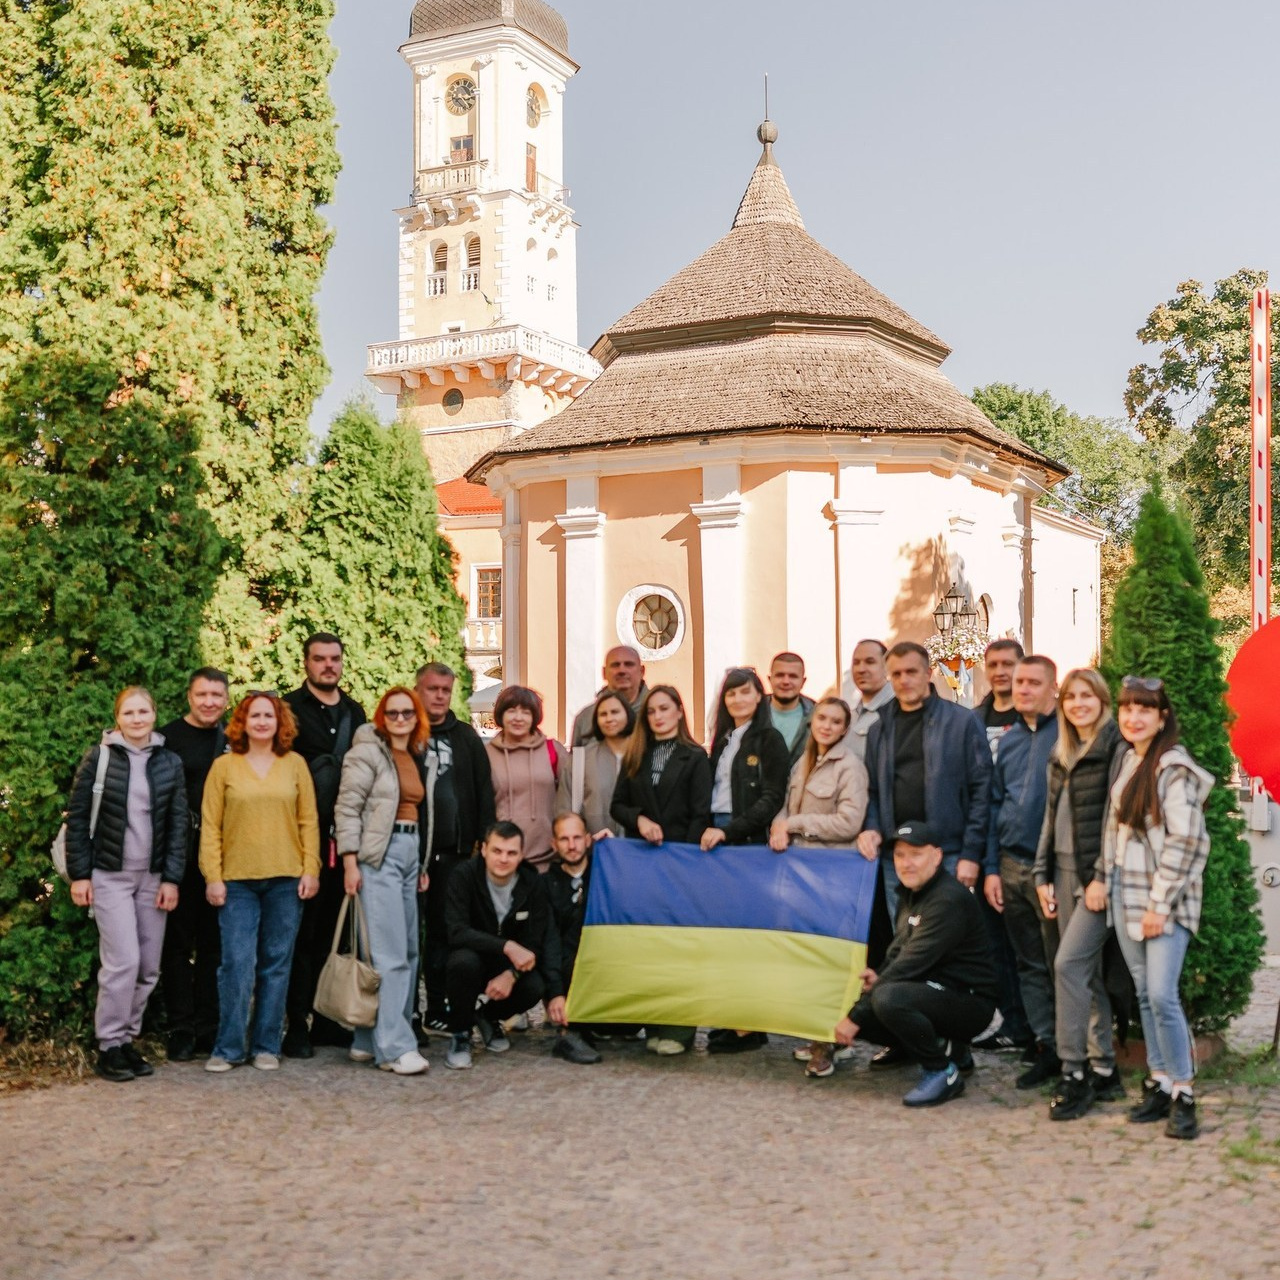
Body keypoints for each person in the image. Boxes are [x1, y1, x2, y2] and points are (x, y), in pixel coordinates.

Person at [1102, 677, 1212, 1140]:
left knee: (1163, 994)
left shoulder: (1172, 768)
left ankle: (1185, 1093)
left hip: (1163, 902)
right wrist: (1102, 882)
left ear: (1162, 717)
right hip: (1125, 896)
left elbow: (1187, 842)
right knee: (1145, 994)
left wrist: (1159, 904)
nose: (1133, 717)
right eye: (1127, 708)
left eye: (1144, 709)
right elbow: (1116, 834)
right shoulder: (1130, 761)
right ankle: (1160, 1080)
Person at [66, 687, 188, 1082]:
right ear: (118, 718)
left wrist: (171, 879)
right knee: (123, 962)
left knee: (149, 967)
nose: (137, 719)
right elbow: (79, 817)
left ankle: (127, 1040)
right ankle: (109, 1044)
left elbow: (177, 826)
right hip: (109, 876)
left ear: (154, 714)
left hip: (151, 879)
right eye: (129, 712)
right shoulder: (99, 758)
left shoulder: (169, 762)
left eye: (143, 711)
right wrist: (81, 875)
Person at [834, 820, 998, 1107]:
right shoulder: (911, 893)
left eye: (915, 854)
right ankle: (930, 1047)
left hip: (972, 1004)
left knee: (887, 998)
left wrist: (855, 1016)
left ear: (936, 856)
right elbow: (898, 952)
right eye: (899, 855)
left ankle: (941, 1072)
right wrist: (877, 977)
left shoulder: (947, 900)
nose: (906, 863)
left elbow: (911, 963)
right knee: (865, 990)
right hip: (933, 990)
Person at [200, 692, 320, 1072]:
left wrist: (311, 868)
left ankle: (267, 1044)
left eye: (269, 715)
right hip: (236, 883)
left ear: (279, 721)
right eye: (255, 715)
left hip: (286, 879)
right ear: (243, 722)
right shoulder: (224, 767)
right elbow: (210, 827)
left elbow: (309, 822)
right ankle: (229, 1047)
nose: (263, 721)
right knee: (237, 963)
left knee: (276, 964)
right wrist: (213, 876)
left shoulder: (295, 764)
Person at [1034, 668, 1126, 1121]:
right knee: (1083, 975)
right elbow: (1050, 820)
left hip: (1097, 878)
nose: (1078, 704)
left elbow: (1116, 820)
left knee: (1068, 965)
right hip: (1062, 871)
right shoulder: (1062, 751)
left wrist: (1100, 877)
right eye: (1071, 698)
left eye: (1086, 696)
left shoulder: (1115, 749)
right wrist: (1041, 874)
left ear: (1102, 700)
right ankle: (1104, 1067)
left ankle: (1073, 1072)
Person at [334, 687, 436, 1076]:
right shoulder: (366, 752)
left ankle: (365, 1040)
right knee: (390, 955)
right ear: (381, 716)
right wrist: (350, 863)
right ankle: (394, 1048)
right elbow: (346, 808)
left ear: (416, 716)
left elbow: (421, 811)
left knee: (408, 951)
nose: (399, 719)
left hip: (410, 854)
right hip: (379, 855)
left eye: (407, 712)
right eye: (391, 713)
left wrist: (422, 862)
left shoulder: (415, 753)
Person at [768, 696, 870, 1077]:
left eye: (835, 721)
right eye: (821, 719)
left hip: (832, 877)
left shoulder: (851, 768)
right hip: (798, 875)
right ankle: (817, 1032)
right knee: (805, 958)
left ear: (845, 728)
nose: (826, 726)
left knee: (829, 962)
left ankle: (825, 1046)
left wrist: (794, 826)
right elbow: (788, 808)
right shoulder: (804, 762)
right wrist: (780, 825)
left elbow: (849, 822)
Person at [610, 685, 712, 1055]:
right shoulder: (636, 754)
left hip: (681, 863)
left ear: (679, 711)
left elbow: (701, 813)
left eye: (665, 709)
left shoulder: (695, 756)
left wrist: (681, 857)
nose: (658, 716)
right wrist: (639, 820)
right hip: (642, 863)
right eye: (652, 711)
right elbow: (617, 805)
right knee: (649, 946)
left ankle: (680, 1029)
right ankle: (653, 1023)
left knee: (679, 947)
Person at [858, 642, 992, 918]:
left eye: (911, 672)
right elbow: (872, 790)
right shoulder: (879, 729)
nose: (904, 680)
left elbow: (982, 791)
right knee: (907, 944)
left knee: (951, 942)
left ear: (928, 673)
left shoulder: (962, 722)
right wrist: (871, 826)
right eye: (896, 674)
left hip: (949, 854)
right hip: (897, 856)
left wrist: (971, 854)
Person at [282, 633, 367, 1057]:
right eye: (320, 659)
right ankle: (296, 1024)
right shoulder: (287, 710)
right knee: (300, 936)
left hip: (343, 842)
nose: (328, 666)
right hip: (299, 842)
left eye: (335, 659)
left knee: (336, 935)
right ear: (306, 663)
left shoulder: (356, 712)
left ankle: (329, 1023)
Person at [701, 668, 790, 1054]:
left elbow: (772, 798)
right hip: (718, 838)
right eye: (731, 694)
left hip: (746, 842)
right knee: (725, 938)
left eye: (745, 692)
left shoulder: (769, 740)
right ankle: (731, 1017)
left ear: (759, 697)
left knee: (749, 939)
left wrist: (731, 830)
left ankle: (750, 1027)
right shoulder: (721, 741)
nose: (737, 700)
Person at [984, 655, 1061, 1089]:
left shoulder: (1067, 737)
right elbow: (996, 803)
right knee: (1028, 963)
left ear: (1053, 687)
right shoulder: (1010, 741)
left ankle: (1074, 1052)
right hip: (1010, 866)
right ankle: (1044, 1046)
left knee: (1060, 963)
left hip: (1051, 870)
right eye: (1018, 682)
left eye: (1033, 682)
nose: (1023, 689)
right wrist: (992, 867)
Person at [415, 662, 495, 1035]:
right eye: (432, 689)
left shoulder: (466, 737)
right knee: (410, 934)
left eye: (446, 690)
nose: (439, 696)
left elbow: (483, 792)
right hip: (411, 854)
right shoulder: (405, 730)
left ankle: (438, 1006)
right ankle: (406, 1011)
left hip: (456, 855)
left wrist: (481, 842)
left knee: (446, 935)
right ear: (419, 690)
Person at [442, 821, 562, 1070]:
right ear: (484, 849)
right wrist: (506, 946)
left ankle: (487, 1017)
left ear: (521, 855)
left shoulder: (533, 883)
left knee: (534, 985)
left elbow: (534, 942)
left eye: (511, 853)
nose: (503, 859)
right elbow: (456, 931)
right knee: (461, 963)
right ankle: (460, 1034)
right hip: (472, 953)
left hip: (506, 964)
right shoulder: (463, 876)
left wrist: (512, 974)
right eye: (497, 851)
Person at [158, 668, 229, 1061]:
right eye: (202, 695)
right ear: (189, 696)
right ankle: (181, 1029)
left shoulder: (233, 739)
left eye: (217, 695)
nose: (209, 702)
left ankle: (209, 1028)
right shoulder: (167, 738)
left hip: (219, 859)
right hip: (179, 858)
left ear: (227, 699)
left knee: (214, 950)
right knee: (177, 948)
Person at [544, 811, 604, 1065]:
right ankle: (569, 1033)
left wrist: (616, 849)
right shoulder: (545, 883)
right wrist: (555, 993)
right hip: (568, 970)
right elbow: (549, 941)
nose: (571, 845)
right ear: (553, 844)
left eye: (577, 837)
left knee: (627, 1026)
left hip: (603, 969)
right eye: (564, 839)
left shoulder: (605, 874)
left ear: (588, 840)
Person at [486, 685, 566, 872]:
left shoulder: (553, 751)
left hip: (547, 857)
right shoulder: (486, 754)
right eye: (511, 711)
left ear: (534, 717)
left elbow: (570, 799)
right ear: (501, 715)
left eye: (526, 712)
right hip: (503, 857)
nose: (518, 718)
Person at [556, 690, 634, 839]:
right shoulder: (581, 759)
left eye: (615, 712)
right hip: (593, 851)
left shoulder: (645, 755)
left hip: (639, 851)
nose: (609, 718)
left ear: (628, 715)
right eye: (603, 714)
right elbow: (564, 810)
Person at [570, 645, 649, 747]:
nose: (622, 671)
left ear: (641, 671)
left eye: (629, 664)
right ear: (604, 673)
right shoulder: (586, 718)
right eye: (615, 665)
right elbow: (576, 760)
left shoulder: (659, 713)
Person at [839, 639, 895, 762]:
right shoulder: (850, 714)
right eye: (856, 663)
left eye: (870, 662)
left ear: (887, 666)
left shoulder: (897, 710)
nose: (861, 669)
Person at [974, 639, 1024, 758]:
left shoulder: (1038, 716)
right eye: (993, 665)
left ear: (1022, 667)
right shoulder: (972, 720)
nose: (999, 672)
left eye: (1007, 664)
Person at [767, 652, 814, 771]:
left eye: (793, 676)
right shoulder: (753, 713)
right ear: (769, 679)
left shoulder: (818, 716)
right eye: (780, 675)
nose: (786, 681)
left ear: (803, 682)